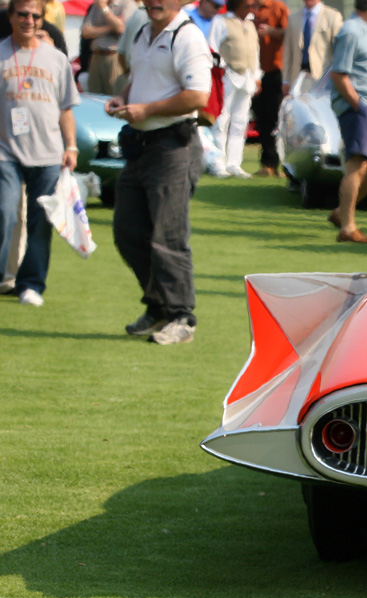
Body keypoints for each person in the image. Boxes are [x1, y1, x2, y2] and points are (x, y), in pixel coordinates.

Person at [106, 0, 212, 344]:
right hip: (141, 145)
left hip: (173, 147)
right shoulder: (141, 32)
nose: (154, 1)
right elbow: (138, 78)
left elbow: (197, 95)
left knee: (168, 237)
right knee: (127, 231)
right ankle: (159, 306)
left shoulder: (187, 36)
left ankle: (182, 317)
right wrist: (123, 98)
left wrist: (146, 109)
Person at [0, 0, 79, 307]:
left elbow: (65, 109)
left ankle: (31, 283)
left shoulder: (56, 58)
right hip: (6, 151)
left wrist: (70, 145)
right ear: (11, 16)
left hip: (48, 152)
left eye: (35, 15)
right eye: (23, 14)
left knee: (40, 221)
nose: (29, 20)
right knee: (4, 213)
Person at [327, 0, 367, 244]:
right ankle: (348, 227)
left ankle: (342, 212)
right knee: (357, 164)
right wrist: (358, 106)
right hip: (358, 107)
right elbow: (339, 73)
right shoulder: (351, 31)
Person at [207, 0, 262, 179]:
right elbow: (212, 49)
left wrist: (257, 77)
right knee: (221, 121)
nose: (252, 8)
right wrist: (224, 68)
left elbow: (255, 51)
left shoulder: (251, 24)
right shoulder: (220, 21)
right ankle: (218, 163)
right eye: (248, 4)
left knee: (240, 122)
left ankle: (234, 164)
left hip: (247, 78)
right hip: (228, 77)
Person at [252, 0, 289, 177]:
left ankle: (279, 164)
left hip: (276, 71)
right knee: (261, 118)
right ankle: (267, 163)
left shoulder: (278, 8)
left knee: (276, 118)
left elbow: (289, 34)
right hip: (254, 73)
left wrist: (270, 31)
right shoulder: (248, 6)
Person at [282, 0, 343, 96]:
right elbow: (288, 52)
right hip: (298, 78)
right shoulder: (293, 18)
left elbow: (340, 51)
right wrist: (285, 80)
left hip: (322, 78)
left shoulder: (332, 16)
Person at [81, 0, 133, 94]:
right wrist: (110, 27)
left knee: (115, 99)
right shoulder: (96, 6)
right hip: (96, 56)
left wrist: (104, 8)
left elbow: (121, 28)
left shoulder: (127, 4)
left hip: (115, 58)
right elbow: (85, 32)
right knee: (94, 98)